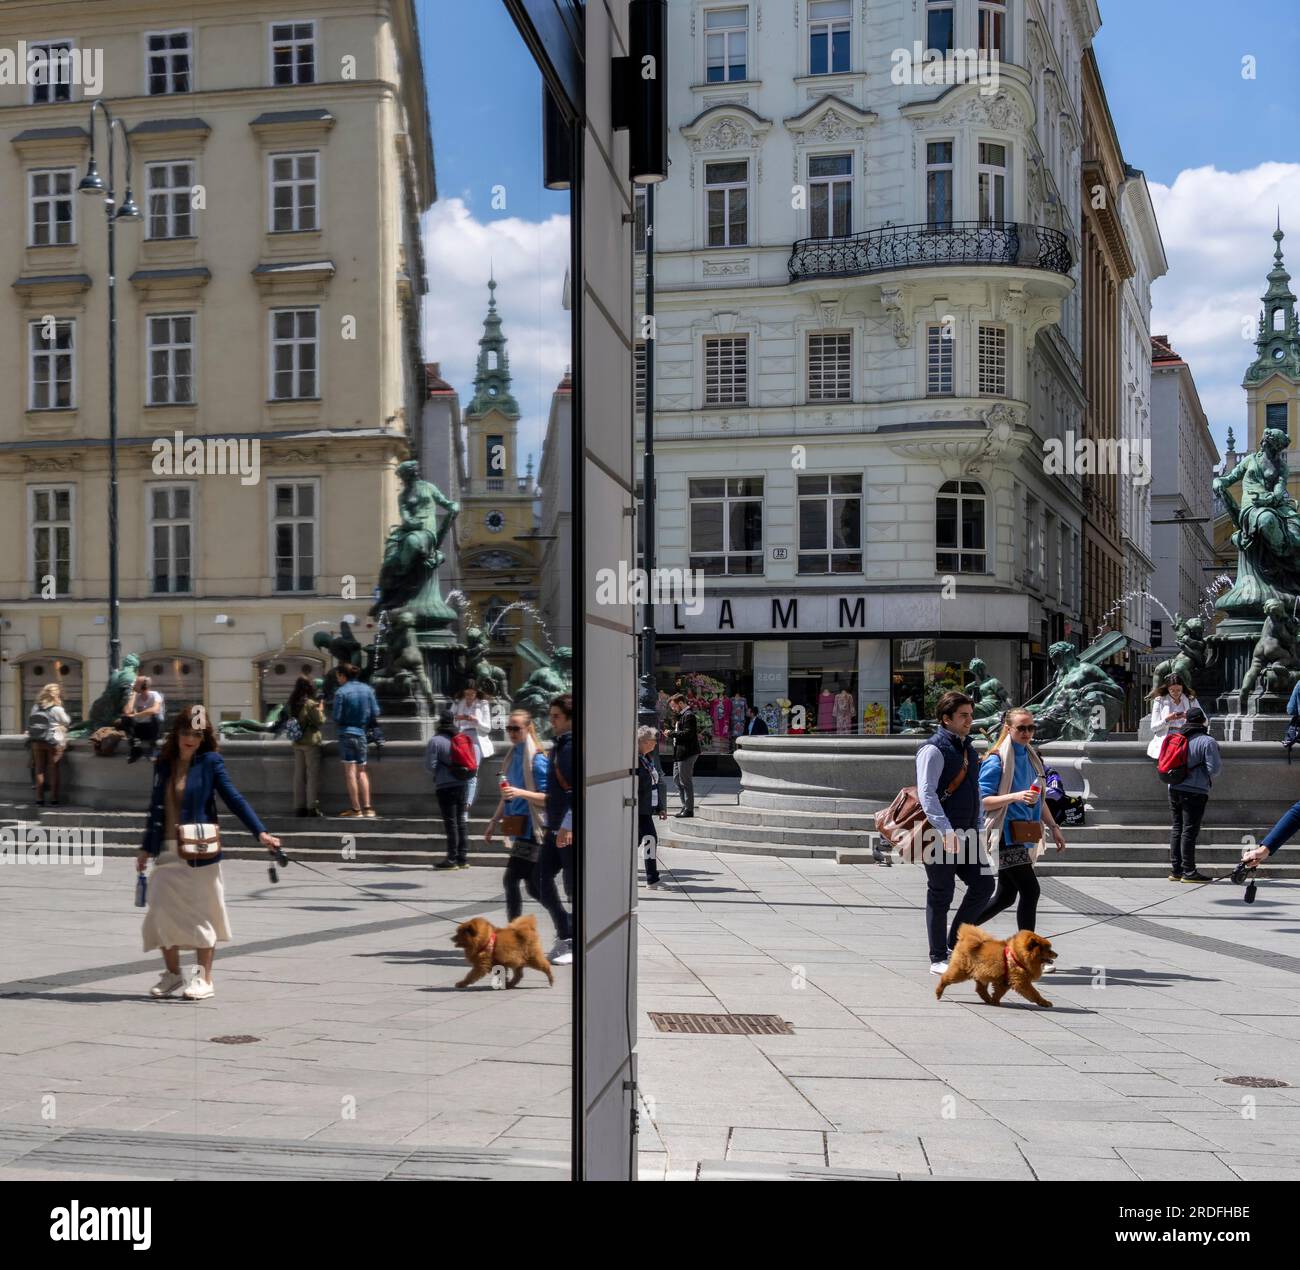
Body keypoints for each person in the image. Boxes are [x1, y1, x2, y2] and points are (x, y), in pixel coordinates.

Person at [136, 706, 281, 1000]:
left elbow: (234, 799)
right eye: (186, 733)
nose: (190, 739)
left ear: (204, 738)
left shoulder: (211, 762)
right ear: (177, 734)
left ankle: (204, 978)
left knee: (201, 913)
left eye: (196, 734)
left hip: (199, 850)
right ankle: (173, 975)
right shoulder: (164, 764)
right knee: (160, 910)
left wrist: (260, 832)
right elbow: (155, 809)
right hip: (167, 849)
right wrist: (145, 847)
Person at [975, 708, 1066, 962]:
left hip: (1023, 832)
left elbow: (1040, 798)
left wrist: (1054, 827)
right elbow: (982, 801)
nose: (1027, 733)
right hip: (1004, 835)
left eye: (1031, 728)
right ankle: (1029, 955)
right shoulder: (997, 760)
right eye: (1021, 728)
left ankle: (958, 933)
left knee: (1005, 896)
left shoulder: (1032, 757)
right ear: (1008, 729)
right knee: (1030, 890)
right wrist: (1015, 796)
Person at [916, 690, 993, 976]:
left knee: (984, 886)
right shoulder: (933, 749)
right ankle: (938, 956)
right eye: (963, 716)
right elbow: (927, 794)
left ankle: (952, 943)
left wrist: (979, 826)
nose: (969, 721)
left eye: (971, 715)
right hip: (940, 834)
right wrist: (945, 829)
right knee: (941, 893)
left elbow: (976, 790)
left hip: (968, 832)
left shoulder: (968, 750)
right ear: (946, 719)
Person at [506, 694, 575, 965]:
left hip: (565, 828)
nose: (551, 720)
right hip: (553, 826)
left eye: (556, 716)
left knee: (569, 887)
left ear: (570, 719)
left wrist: (567, 825)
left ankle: (573, 938)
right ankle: (566, 932)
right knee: (540, 880)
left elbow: (574, 791)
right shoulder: (560, 745)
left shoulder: (569, 749)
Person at [486, 709, 549, 915]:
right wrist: (494, 821)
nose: (511, 733)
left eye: (516, 729)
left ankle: (514, 935)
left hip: (533, 830)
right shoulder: (512, 757)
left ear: (528, 728)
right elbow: (507, 795)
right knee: (532, 885)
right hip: (519, 826)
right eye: (509, 728)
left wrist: (520, 792)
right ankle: (566, 922)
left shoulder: (537, 761)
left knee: (511, 880)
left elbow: (549, 799)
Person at [1166, 704, 1221, 883]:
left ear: (1187, 720)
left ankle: (1176, 870)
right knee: (1189, 830)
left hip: (1174, 788)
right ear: (1203, 721)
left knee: (1177, 828)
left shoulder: (1176, 737)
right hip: (1195, 790)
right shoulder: (1207, 741)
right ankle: (1189, 871)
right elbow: (1214, 770)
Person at [332, 663, 380, 818]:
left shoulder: (341, 692)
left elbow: (336, 717)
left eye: (338, 676)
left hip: (346, 733)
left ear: (343, 675)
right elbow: (376, 711)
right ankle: (368, 808)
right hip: (362, 733)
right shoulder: (367, 690)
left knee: (350, 773)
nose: (337, 679)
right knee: (362, 771)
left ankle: (356, 809)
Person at [425, 711, 471, 869]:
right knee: (461, 821)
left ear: (440, 722)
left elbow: (430, 766)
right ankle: (462, 858)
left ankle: (451, 859)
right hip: (463, 783)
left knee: (451, 823)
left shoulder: (435, 741)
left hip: (445, 785)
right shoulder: (461, 738)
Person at [286, 674, 325, 817]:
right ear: (309, 688)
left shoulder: (292, 703)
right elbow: (320, 721)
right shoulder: (309, 704)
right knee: (312, 776)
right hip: (310, 743)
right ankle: (312, 807)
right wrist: (320, 709)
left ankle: (299, 807)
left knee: (299, 776)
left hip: (297, 743)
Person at [452, 681, 493, 813]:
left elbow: (487, 728)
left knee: (471, 771)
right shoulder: (458, 702)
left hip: (476, 738)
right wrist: (457, 718)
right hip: (461, 738)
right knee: (459, 771)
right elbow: (449, 718)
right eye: (467, 693)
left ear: (477, 693)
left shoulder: (483, 704)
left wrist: (476, 721)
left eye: (472, 694)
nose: (469, 696)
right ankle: (459, 802)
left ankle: (466, 805)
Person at [28, 682, 71, 806]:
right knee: (54, 769)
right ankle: (54, 799)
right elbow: (67, 721)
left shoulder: (36, 707)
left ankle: (39, 799)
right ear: (56, 694)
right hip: (53, 742)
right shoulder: (57, 708)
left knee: (39, 769)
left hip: (37, 741)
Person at [637, 724, 667, 887]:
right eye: (653, 741)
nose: (655, 744)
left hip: (646, 808)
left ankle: (650, 877)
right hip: (639, 809)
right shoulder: (635, 761)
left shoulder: (646, 759)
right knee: (650, 839)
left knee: (638, 842)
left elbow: (654, 784)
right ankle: (652, 878)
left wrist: (660, 806)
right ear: (644, 742)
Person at [665, 693, 700, 818]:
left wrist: (672, 733)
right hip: (679, 753)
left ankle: (689, 809)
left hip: (687, 753)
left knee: (685, 781)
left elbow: (688, 734)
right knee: (676, 780)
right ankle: (685, 806)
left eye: (674, 706)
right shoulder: (681, 715)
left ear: (680, 703)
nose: (673, 709)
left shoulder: (689, 715)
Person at [1146, 674, 1195, 761]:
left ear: (1183, 688)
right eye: (1172, 690)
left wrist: (1188, 716)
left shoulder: (1190, 700)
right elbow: (1153, 727)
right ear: (1167, 689)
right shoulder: (1159, 700)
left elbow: (1204, 721)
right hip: (1168, 736)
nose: (1176, 693)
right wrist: (1167, 719)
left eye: (1179, 690)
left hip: (1186, 734)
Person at [121, 675, 165, 764]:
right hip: (140, 728)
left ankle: (152, 749)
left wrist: (137, 714)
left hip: (152, 728)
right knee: (125, 718)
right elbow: (127, 711)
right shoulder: (136, 696)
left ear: (143, 686)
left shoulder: (155, 695)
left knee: (156, 716)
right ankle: (135, 750)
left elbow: (155, 709)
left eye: (136, 683)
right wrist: (133, 694)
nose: (134, 685)